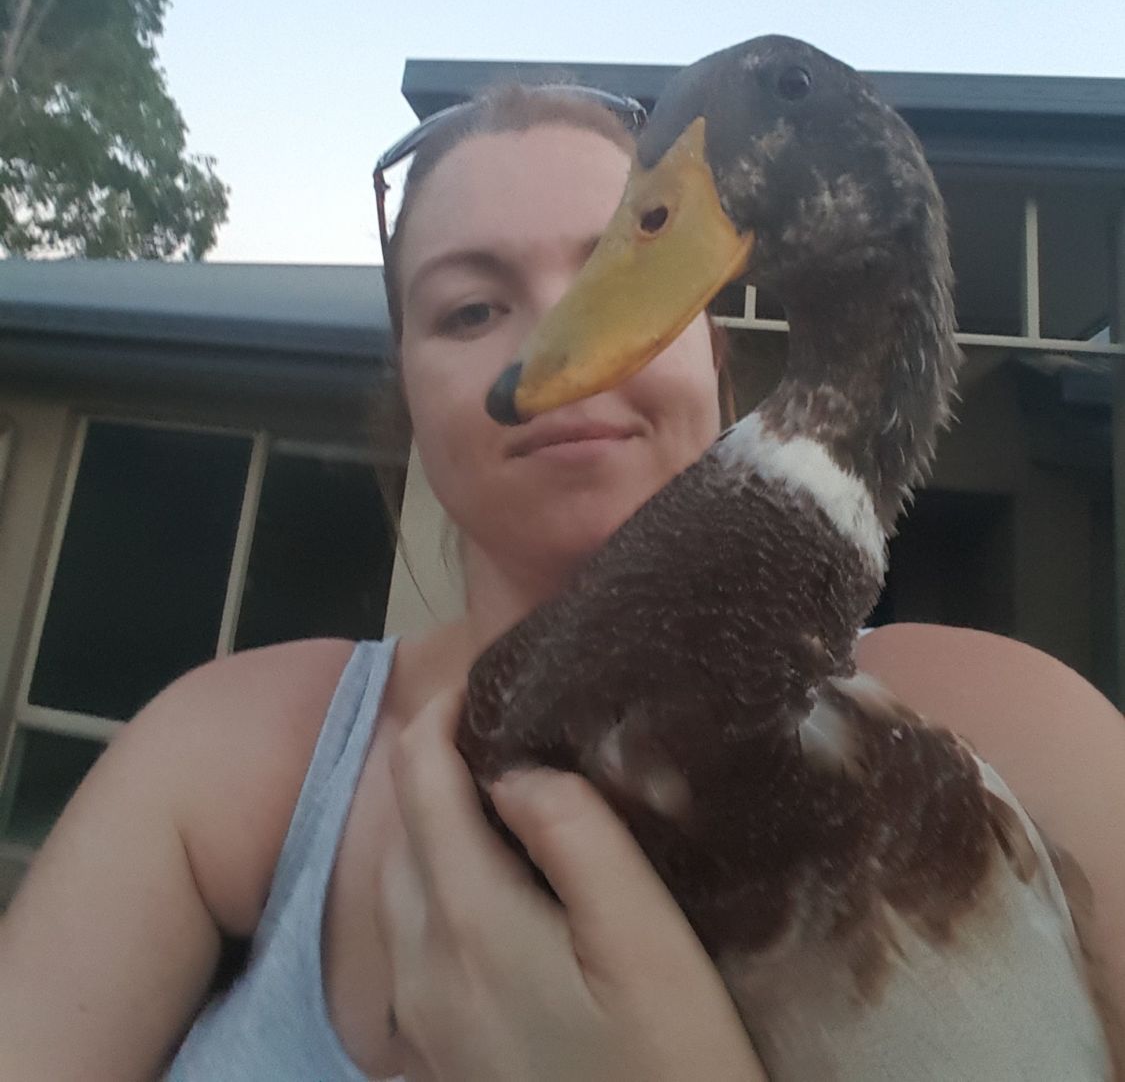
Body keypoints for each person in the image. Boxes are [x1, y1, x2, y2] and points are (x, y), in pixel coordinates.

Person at [0, 84, 1122, 1081]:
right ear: (408, 391)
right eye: (470, 310)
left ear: (714, 352)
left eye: (621, 259)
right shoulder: (231, 755)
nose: (560, 337)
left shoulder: (1010, 724)